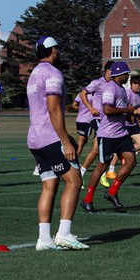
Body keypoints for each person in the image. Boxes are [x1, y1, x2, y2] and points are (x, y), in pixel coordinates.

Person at [27, 36, 89, 251]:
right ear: (54, 50)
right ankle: (64, 234)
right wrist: (65, 141)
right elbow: (53, 109)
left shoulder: (34, 73)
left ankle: (44, 239)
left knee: (49, 184)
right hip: (50, 137)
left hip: (34, 138)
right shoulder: (53, 73)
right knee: (74, 181)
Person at [81, 61, 138, 212]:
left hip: (121, 133)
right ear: (119, 75)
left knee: (131, 161)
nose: (128, 77)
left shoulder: (122, 90)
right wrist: (128, 109)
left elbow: (121, 111)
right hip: (107, 135)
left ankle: (112, 192)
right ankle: (87, 199)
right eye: (126, 74)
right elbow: (107, 109)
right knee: (101, 168)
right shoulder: (110, 88)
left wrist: (129, 116)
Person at [106, 74, 140, 182]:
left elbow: (137, 108)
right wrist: (132, 114)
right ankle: (111, 170)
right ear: (133, 84)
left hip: (133, 125)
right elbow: (124, 109)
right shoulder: (127, 94)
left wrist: (138, 117)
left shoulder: (139, 95)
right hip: (125, 125)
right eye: (139, 85)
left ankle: (126, 153)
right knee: (120, 148)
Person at [77, 61, 114, 178]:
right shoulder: (97, 83)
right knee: (98, 147)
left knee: (97, 149)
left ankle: (92, 172)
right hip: (98, 119)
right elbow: (83, 94)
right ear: (108, 71)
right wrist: (91, 109)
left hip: (109, 120)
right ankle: (83, 173)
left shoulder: (115, 85)